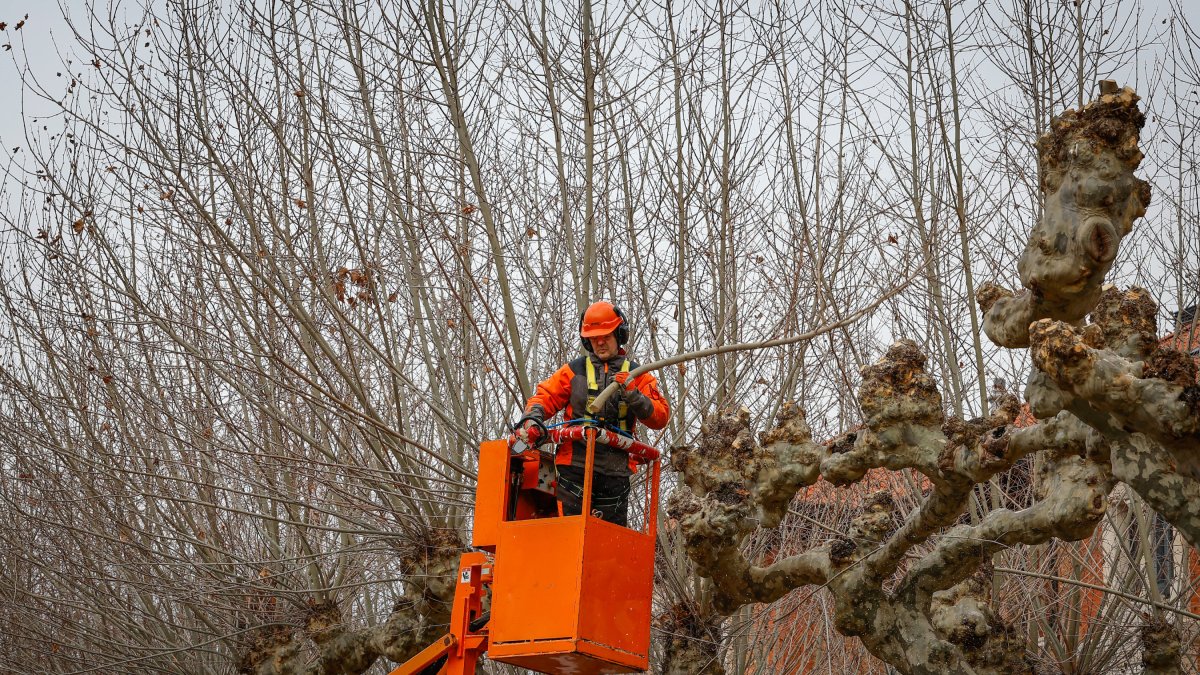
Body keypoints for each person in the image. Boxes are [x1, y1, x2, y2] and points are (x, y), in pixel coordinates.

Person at [511, 301, 670, 526]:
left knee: (609, 544)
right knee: (571, 537)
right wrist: (532, 419)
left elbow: (660, 417)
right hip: (573, 468)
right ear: (587, 340)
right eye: (594, 338)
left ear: (619, 334)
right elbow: (544, 396)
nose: (600, 342)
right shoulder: (573, 371)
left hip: (615, 472)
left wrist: (634, 395)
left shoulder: (638, 375)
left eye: (605, 336)